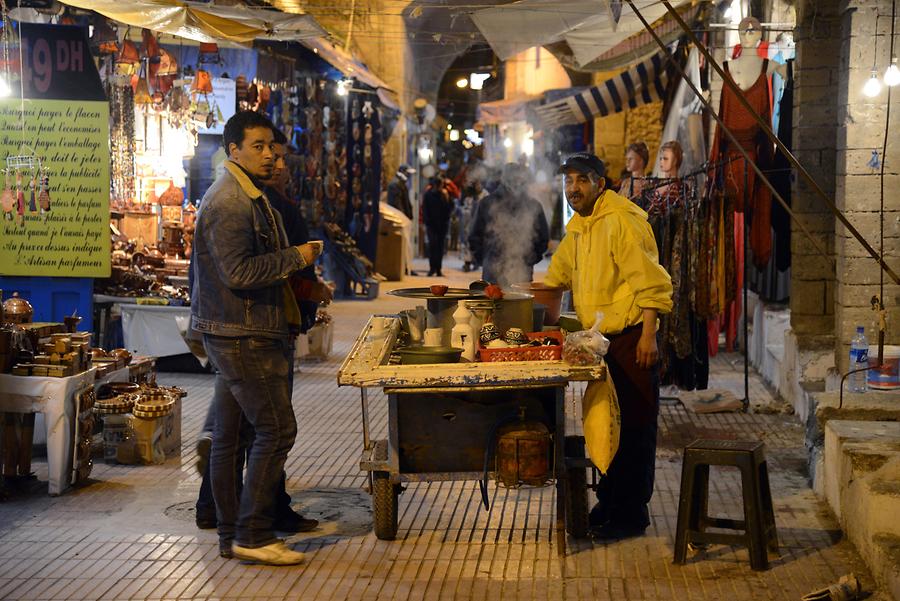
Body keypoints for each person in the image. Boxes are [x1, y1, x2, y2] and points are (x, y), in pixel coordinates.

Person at [191, 111, 322, 565]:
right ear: (234, 151)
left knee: (229, 436)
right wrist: (297, 257)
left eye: (272, 147)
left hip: (240, 329)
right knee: (276, 429)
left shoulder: (250, 194)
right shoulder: (230, 201)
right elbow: (239, 272)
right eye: (259, 147)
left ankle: (232, 532)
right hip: (241, 333)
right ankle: (253, 532)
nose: (269, 155)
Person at [544, 152, 673, 540]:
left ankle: (631, 516)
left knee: (634, 427)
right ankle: (609, 501)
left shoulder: (621, 221)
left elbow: (651, 282)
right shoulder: (580, 227)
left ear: (600, 183)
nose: (573, 189)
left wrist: (649, 335)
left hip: (634, 338)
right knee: (607, 425)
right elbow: (556, 277)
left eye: (581, 180)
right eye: (568, 182)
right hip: (603, 343)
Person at [468, 163, 549, 287]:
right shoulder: (487, 204)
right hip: (496, 273)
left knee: (512, 304)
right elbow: (475, 237)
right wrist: (486, 260)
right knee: (505, 304)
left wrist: (529, 259)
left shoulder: (533, 206)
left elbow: (543, 239)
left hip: (519, 273)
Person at [422, 175, 453, 277]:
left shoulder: (444, 195)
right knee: (432, 247)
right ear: (435, 185)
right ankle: (432, 269)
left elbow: (449, 209)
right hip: (431, 225)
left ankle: (438, 269)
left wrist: (447, 198)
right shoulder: (428, 195)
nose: (441, 187)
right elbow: (425, 210)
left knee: (440, 248)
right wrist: (427, 222)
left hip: (442, 226)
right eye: (440, 185)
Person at [459, 179, 488, 272]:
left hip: (480, 225)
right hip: (468, 224)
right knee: (467, 244)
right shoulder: (469, 197)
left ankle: (476, 262)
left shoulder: (486, 195)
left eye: (479, 184)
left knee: (478, 244)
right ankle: (467, 263)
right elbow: (464, 209)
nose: (477, 186)